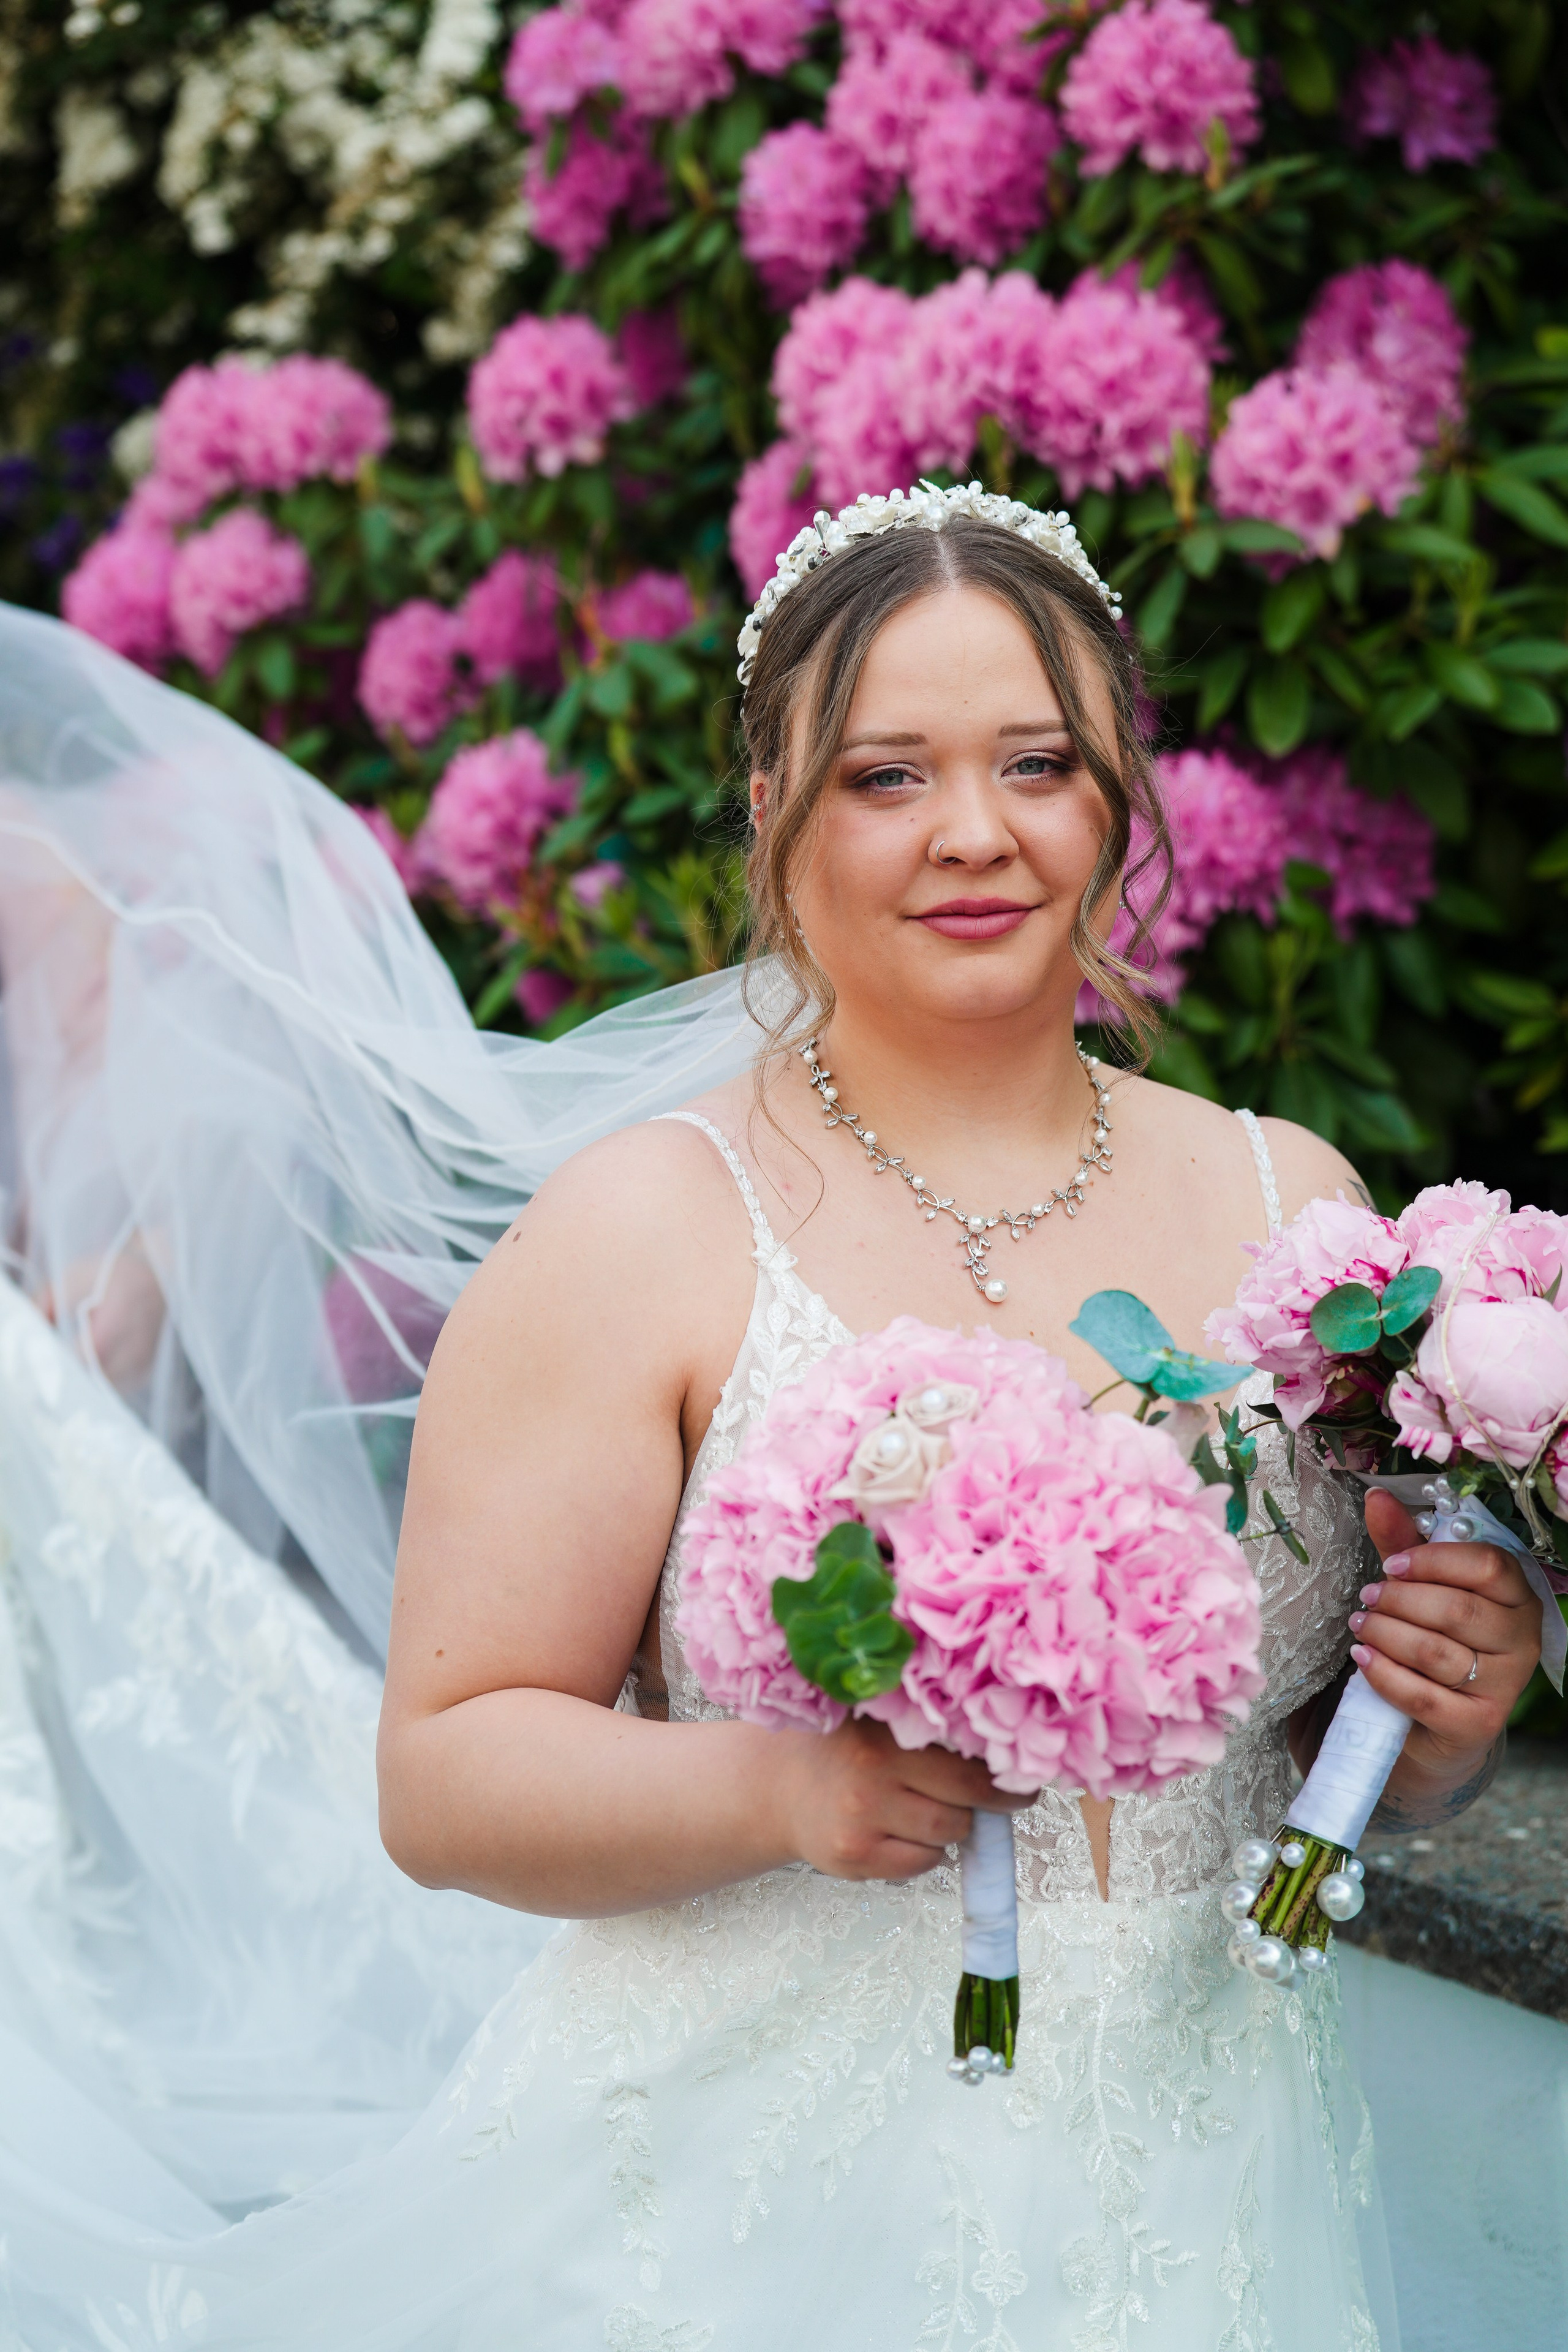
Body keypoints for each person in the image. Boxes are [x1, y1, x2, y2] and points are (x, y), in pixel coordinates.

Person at [0, 486, 1541, 2349]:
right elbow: (450, 1768)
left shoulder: (1295, 1207)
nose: (974, 832)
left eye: (1037, 762)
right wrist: (790, 1787)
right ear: (773, 816)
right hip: (742, 2225)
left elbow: (1269, 1760)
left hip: (1208, 2195)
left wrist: (1434, 1718)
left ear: (1116, 796)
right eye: (887, 775)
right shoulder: (647, 1232)